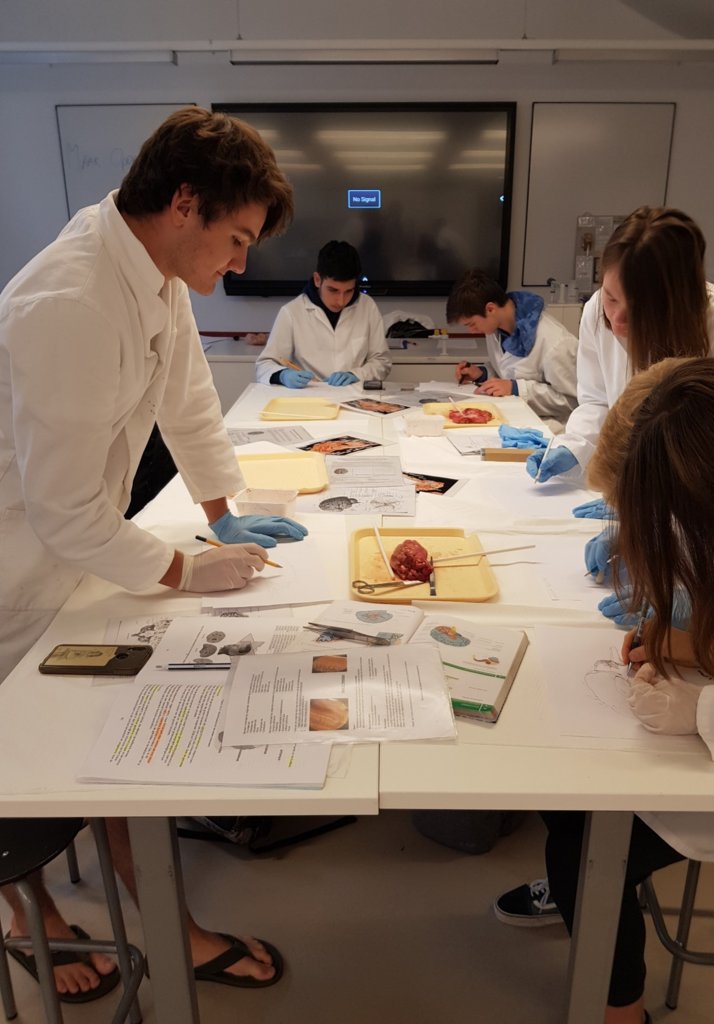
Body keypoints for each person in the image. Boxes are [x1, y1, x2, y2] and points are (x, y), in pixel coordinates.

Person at [0, 107, 306, 997]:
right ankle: (30, 917)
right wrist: (183, 569)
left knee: (101, 741)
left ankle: (164, 919)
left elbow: (188, 399)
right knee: (28, 760)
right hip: (15, 565)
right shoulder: (71, 300)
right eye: (237, 239)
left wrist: (223, 514)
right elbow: (62, 508)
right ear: (183, 203)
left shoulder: (151, 269)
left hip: (69, 549)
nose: (241, 263)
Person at [499, 357, 714, 1024]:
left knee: (587, 841)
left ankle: (621, 1011)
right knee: (565, 801)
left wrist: (709, 709)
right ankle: (593, 915)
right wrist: (686, 639)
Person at [525, 206, 714, 482]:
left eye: (639, 311)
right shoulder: (595, 310)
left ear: (677, 303)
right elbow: (598, 400)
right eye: (611, 297)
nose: (617, 322)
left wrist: (665, 499)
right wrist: (575, 446)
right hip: (635, 482)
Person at [445, 269, 578, 431]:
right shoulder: (495, 328)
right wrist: (481, 374)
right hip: (512, 420)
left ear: (490, 309)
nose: (472, 331)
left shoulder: (556, 342)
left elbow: (572, 401)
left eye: (472, 324)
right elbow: (507, 371)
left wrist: (516, 389)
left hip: (548, 431)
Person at [255, 240, 391, 387]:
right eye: (333, 290)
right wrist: (282, 375)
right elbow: (264, 365)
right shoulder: (292, 312)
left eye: (349, 291)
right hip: (309, 394)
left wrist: (356, 375)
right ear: (317, 280)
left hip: (354, 394)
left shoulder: (367, 307)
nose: (341, 301)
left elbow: (381, 361)